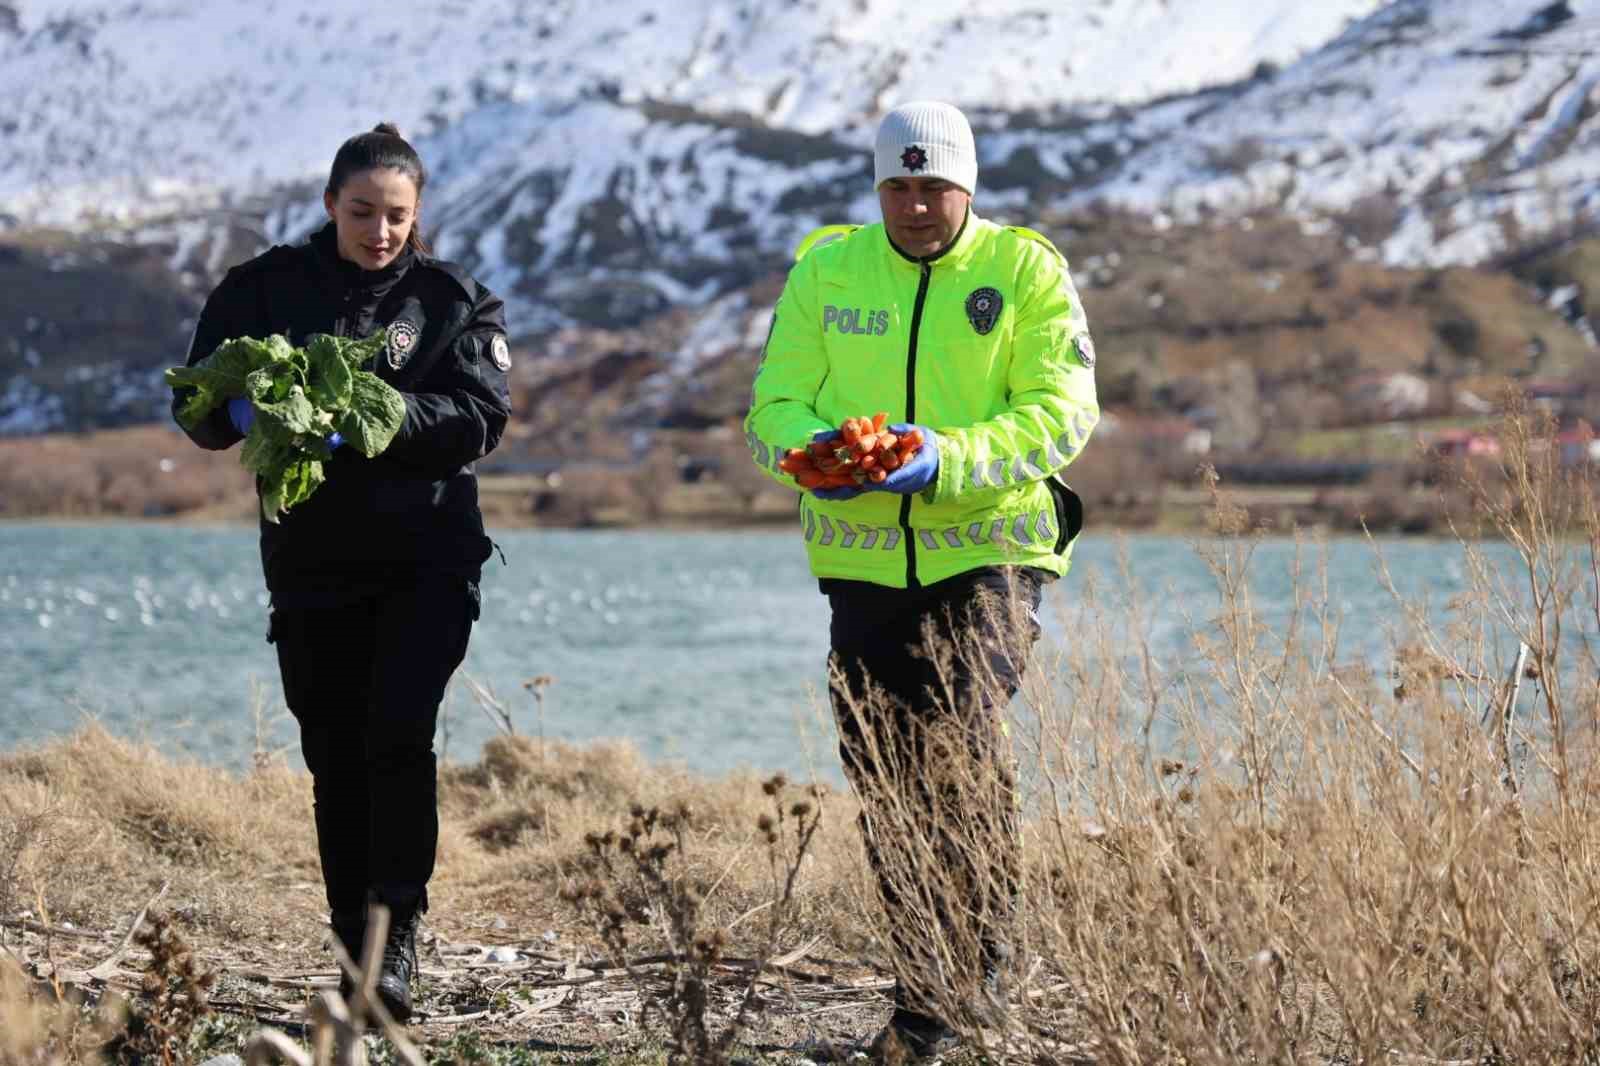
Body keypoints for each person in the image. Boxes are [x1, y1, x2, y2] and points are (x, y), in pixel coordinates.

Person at [744, 100, 1099, 1059]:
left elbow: (1062, 413)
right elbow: (773, 400)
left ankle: (977, 966)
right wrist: (807, 451)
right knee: (889, 780)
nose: (914, 205)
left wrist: (944, 456)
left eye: (933, 185)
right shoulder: (828, 268)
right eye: (896, 187)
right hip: (861, 567)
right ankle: (924, 995)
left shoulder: (1024, 269)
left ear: (967, 187)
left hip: (989, 555)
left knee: (960, 737)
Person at [171, 123, 513, 1022]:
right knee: (334, 755)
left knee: (396, 739)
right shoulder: (261, 289)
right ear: (330, 204)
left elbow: (480, 416)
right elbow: (194, 406)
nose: (380, 231)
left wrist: (374, 418)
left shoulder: (454, 302)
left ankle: (395, 945)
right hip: (310, 563)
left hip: (427, 563)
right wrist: (239, 405)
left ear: (419, 214)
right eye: (362, 211)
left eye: (397, 215)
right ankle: (348, 947)